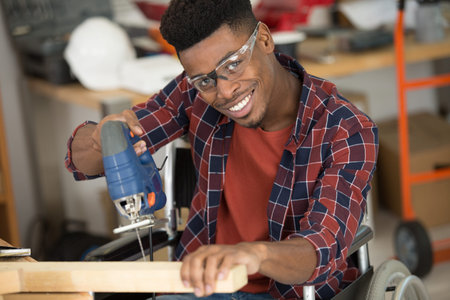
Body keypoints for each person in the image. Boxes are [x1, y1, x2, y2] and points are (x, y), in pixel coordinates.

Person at [65, 0, 378, 298]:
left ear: (265, 40)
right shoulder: (194, 94)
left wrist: (252, 255)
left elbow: (320, 248)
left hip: (291, 295)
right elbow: (81, 161)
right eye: (205, 80)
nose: (225, 91)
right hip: (203, 288)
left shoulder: (346, 130)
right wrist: (104, 135)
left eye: (234, 63)